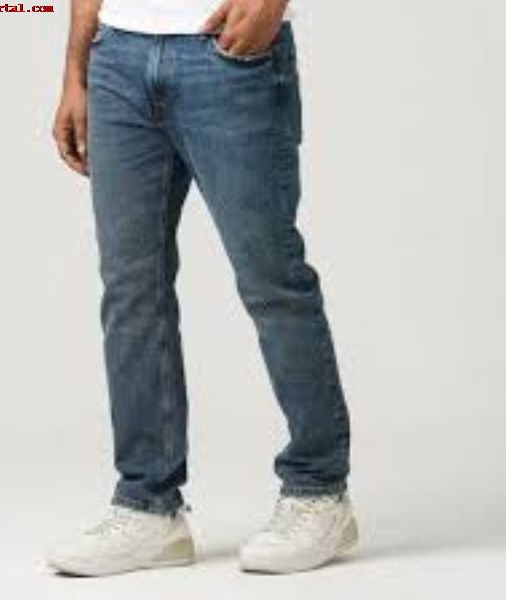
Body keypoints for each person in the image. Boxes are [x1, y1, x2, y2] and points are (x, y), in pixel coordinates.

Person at [46, 0, 358, 576]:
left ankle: (319, 491)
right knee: (131, 291)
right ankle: (147, 505)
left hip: (228, 56)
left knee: (271, 281)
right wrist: (75, 68)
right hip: (117, 57)